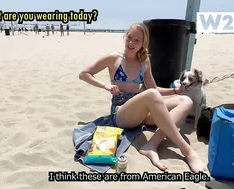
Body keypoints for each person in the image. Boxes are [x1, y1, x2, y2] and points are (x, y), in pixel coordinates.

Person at [78, 23, 206, 173]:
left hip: (140, 112)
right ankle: (188, 152)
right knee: (151, 95)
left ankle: (151, 145)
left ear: (143, 43)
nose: (131, 43)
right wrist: (105, 86)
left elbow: (154, 88)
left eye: (136, 40)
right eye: (129, 38)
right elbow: (84, 74)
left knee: (186, 101)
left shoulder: (144, 62)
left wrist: (175, 90)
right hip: (121, 113)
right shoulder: (114, 58)